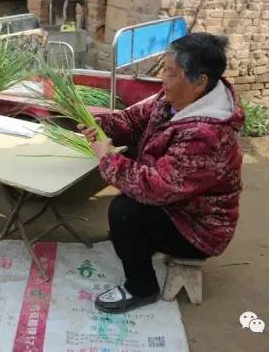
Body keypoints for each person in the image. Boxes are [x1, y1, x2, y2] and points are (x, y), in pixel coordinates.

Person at [79, 33, 244, 313]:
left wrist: (107, 158)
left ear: (199, 81)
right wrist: (101, 124)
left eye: (170, 72)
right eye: (163, 70)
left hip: (198, 227)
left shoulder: (207, 135)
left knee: (124, 212)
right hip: (177, 201)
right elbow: (133, 121)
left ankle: (142, 288)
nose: (162, 80)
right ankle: (138, 242)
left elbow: (155, 188)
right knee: (131, 158)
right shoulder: (173, 99)